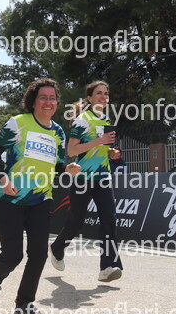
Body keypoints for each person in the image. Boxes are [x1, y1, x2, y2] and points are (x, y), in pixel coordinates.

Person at [0, 78, 81, 314]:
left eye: (52, 98)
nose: (48, 102)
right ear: (33, 101)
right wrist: (3, 180)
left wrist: (66, 169)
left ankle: (24, 301)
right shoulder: (18, 123)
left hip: (41, 199)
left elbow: (56, 165)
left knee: (38, 253)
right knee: (13, 255)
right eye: (43, 97)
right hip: (11, 198)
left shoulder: (58, 132)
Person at [49, 80, 124, 283]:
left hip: (103, 177)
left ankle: (107, 267)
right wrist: (100, 141)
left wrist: (112, 153)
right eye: (99, 93)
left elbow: (102, 150)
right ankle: (57, 247)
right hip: (83, 178)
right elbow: (72, 150)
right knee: (77, 221)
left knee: (109, 219)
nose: (103, 97)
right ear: (90, 98)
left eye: (106, 93)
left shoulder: (106, 119)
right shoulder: (82, 120)